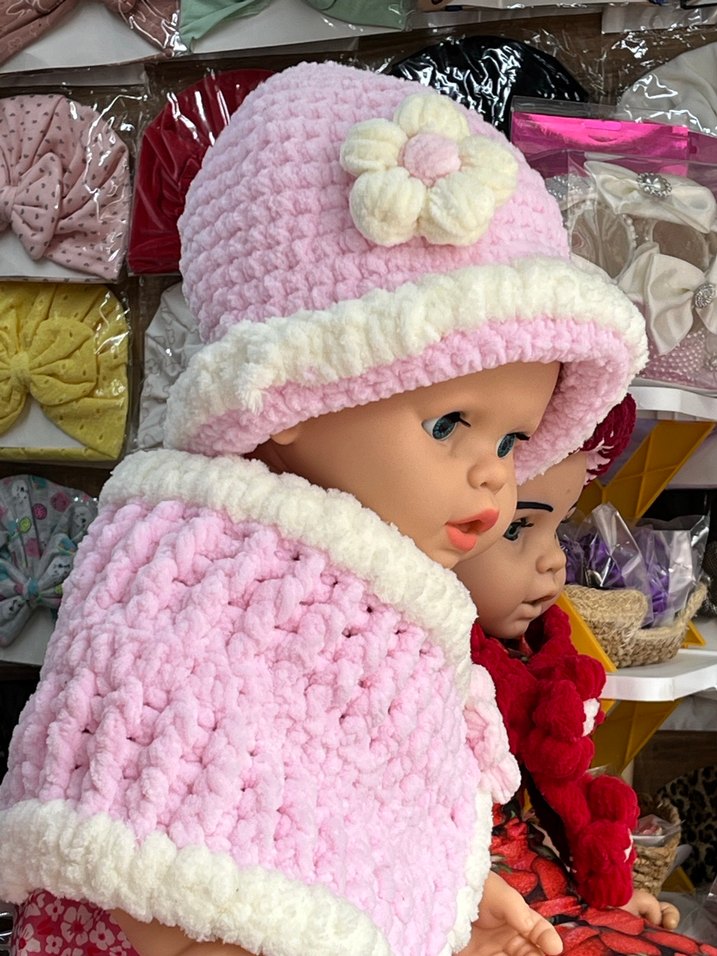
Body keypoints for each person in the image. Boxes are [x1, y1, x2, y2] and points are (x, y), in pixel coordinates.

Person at [0, 62, 647, 956]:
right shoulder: (186, 583)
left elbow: (333, 811)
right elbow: (161, 881)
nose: (494, 480)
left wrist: (435, 900)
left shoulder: (360, 593)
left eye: (510, 442)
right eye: (448, 425)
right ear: (292, 393)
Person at [456, 400, 717, 956]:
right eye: (518, 528)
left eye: (560, 527)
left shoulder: (533, 658)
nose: (555, 561)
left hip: (538, 900)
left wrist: (601, 896)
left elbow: (550, 805)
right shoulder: (426, 672)